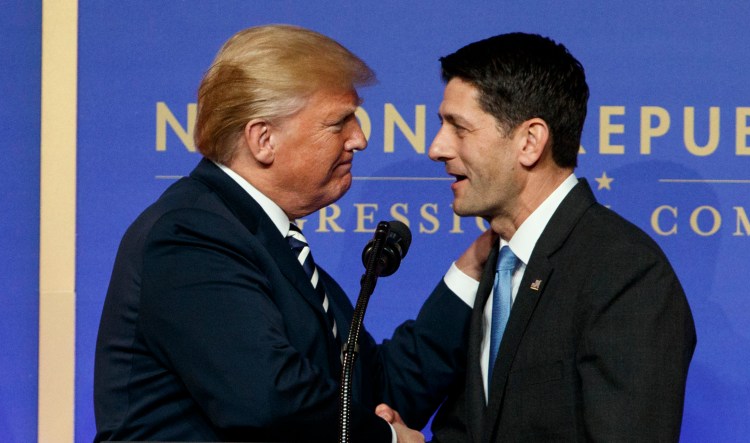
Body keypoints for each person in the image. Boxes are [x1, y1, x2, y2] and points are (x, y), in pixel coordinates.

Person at [93, 25, 489, 443]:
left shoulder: (268, 240)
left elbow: (373, 392)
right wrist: (386, 439)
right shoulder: (190, 236)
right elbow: (267, 398)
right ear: (263, 139)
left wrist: (471, 271)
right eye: (339, 122)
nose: (359, 138)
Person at [421, 32, 697, 441]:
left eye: (459, 128)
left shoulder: (625, 272)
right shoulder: (500, 264)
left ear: (530, 142)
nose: (436, 148)